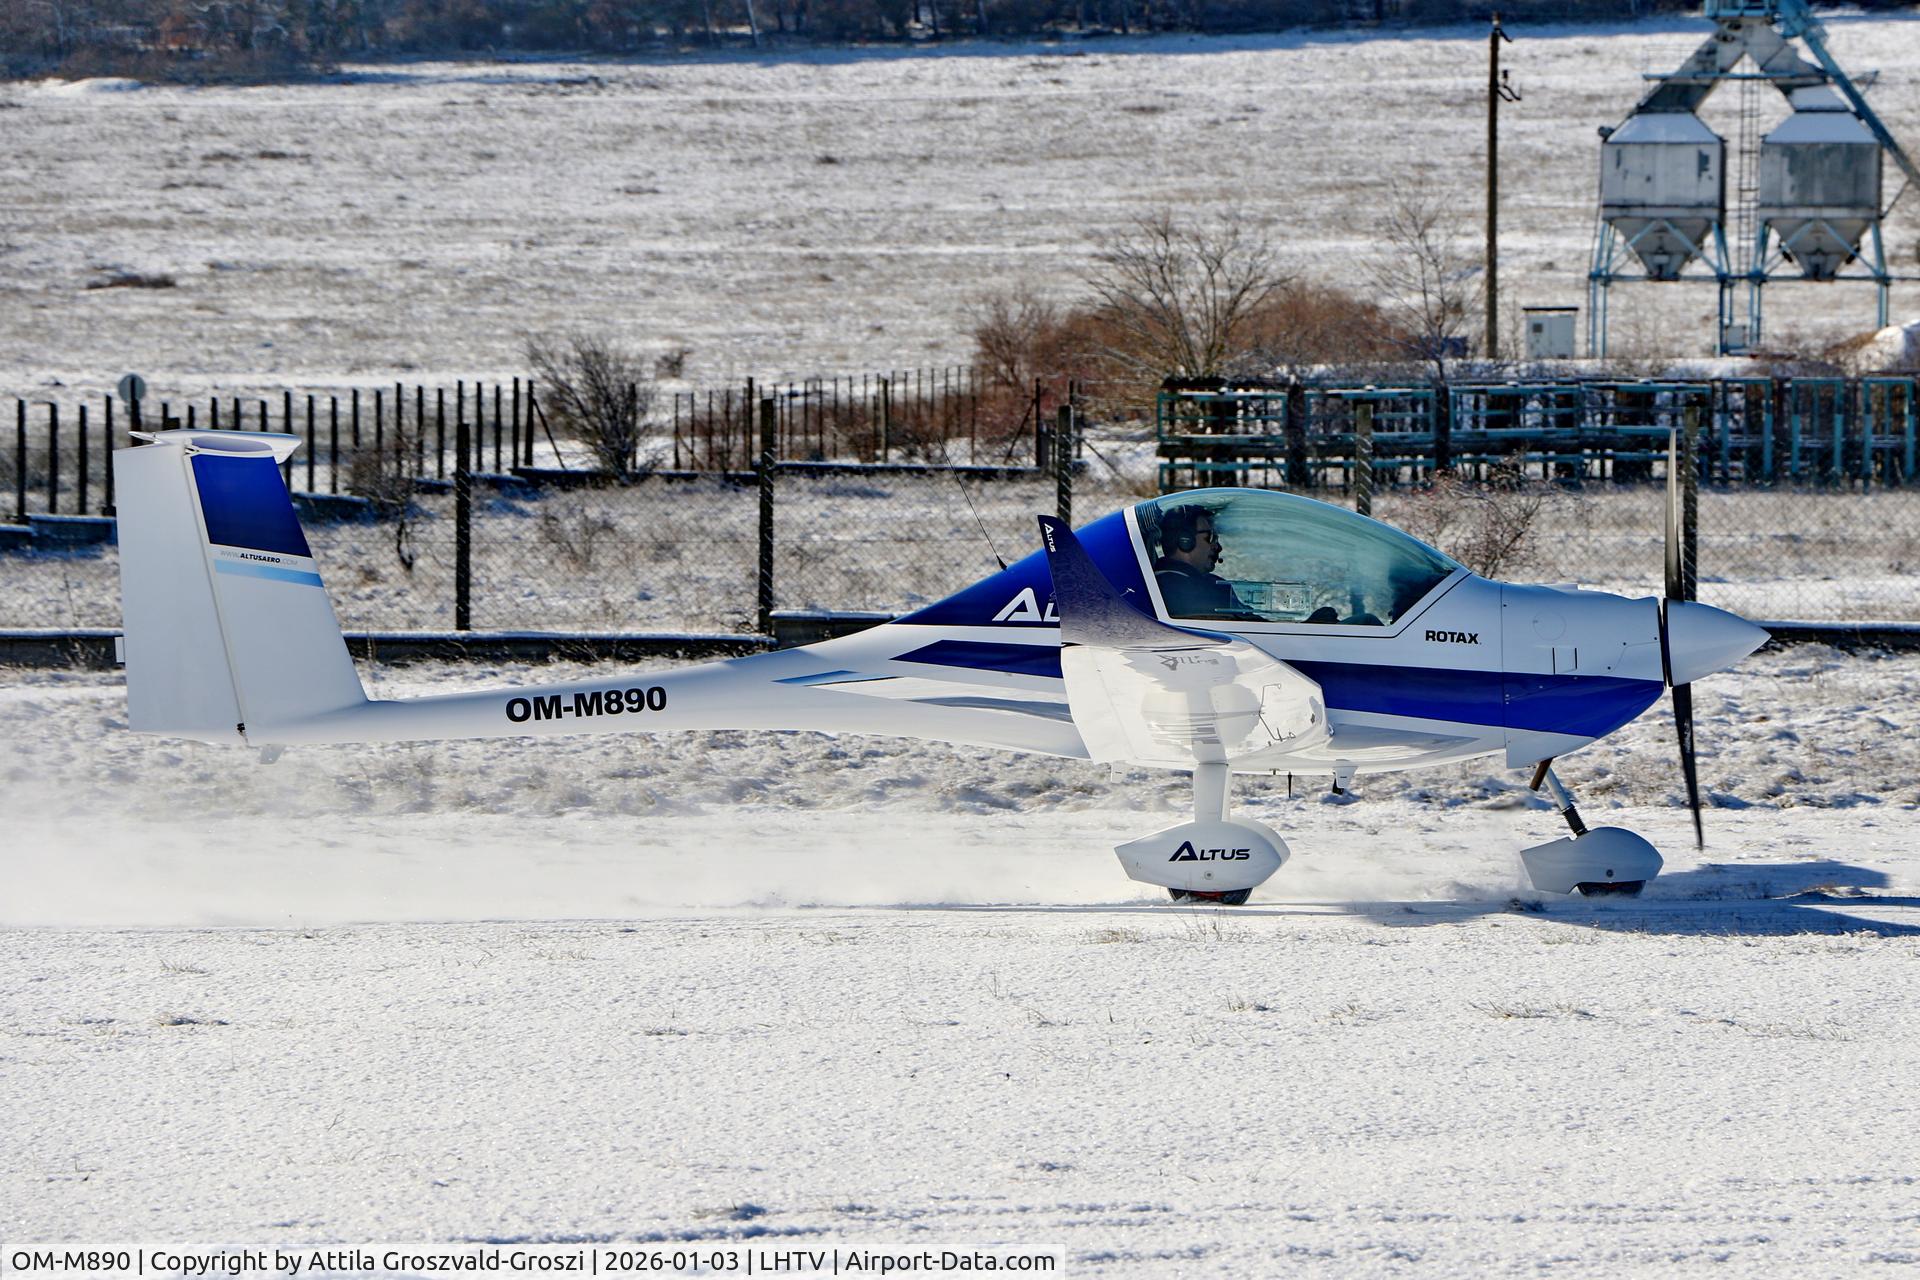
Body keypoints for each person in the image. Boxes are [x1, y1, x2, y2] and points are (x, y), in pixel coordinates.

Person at [1152, 506, 1253, 618]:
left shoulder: (1157, 582)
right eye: (1210, 537)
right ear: (1185, 541)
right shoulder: (1206, 592)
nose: (1217, 547)